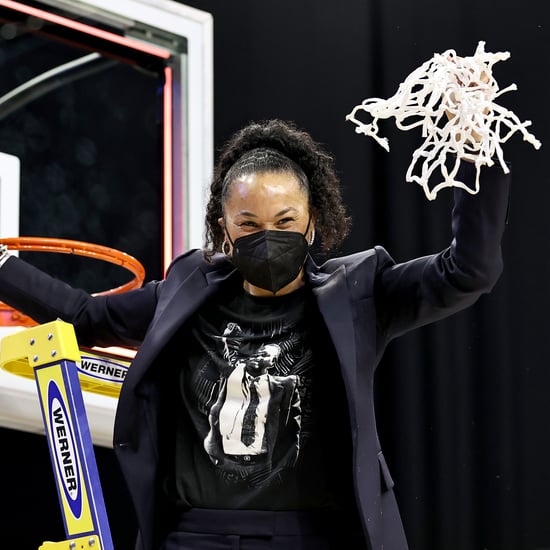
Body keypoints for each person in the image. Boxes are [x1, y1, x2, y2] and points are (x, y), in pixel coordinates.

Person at [0, 114, 510, 549]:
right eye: (248, 224)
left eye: (285, 221)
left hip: (313, 535)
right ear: (223, 229)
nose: (267, 237)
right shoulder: (186, 289)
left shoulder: (359, 292)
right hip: (194, 535)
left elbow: (468, 272)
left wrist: (478, 153)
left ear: (313, 222)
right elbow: (87, 317)